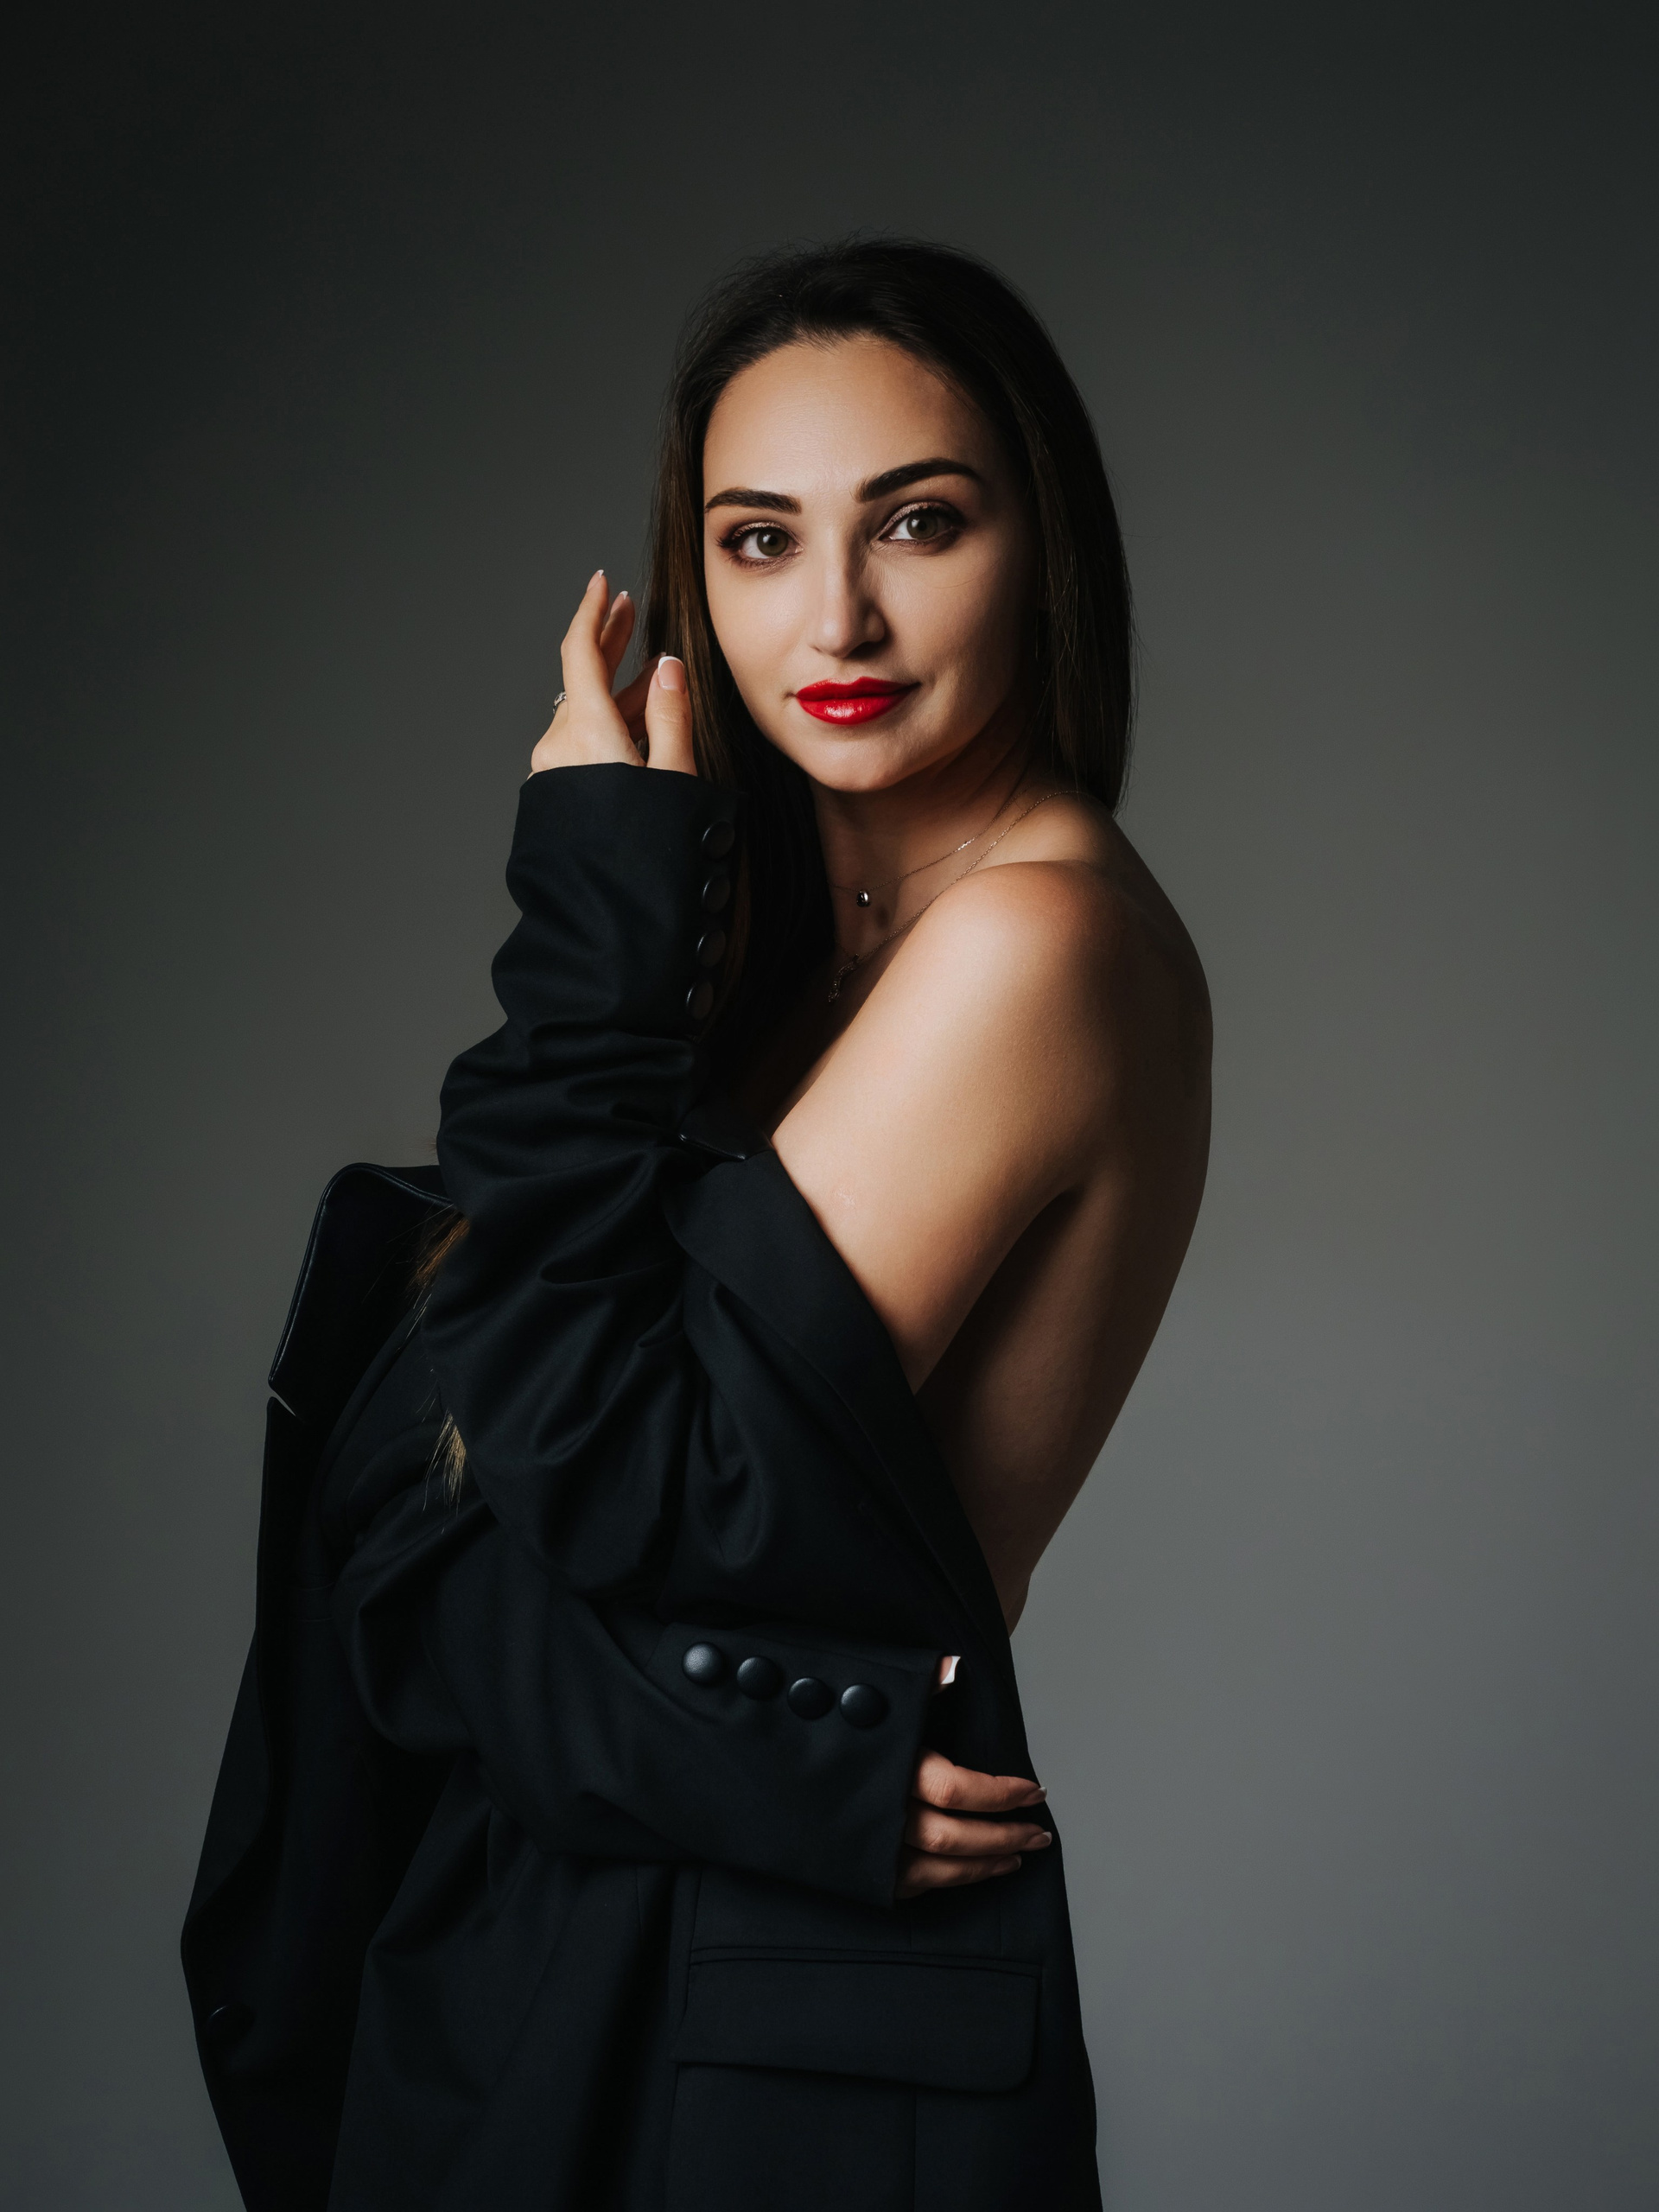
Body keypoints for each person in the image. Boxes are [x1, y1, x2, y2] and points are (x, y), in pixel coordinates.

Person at [183, 238, 1211, 2212]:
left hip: (755, 2018)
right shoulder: (791, 944)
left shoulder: (1029, 942)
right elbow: (420, 1526)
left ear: (1044, 548)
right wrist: (627, 1703)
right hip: (580, 1944)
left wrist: (589, 929)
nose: (837, 613)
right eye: (759, 539)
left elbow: (617, 1482)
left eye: (919, 522)